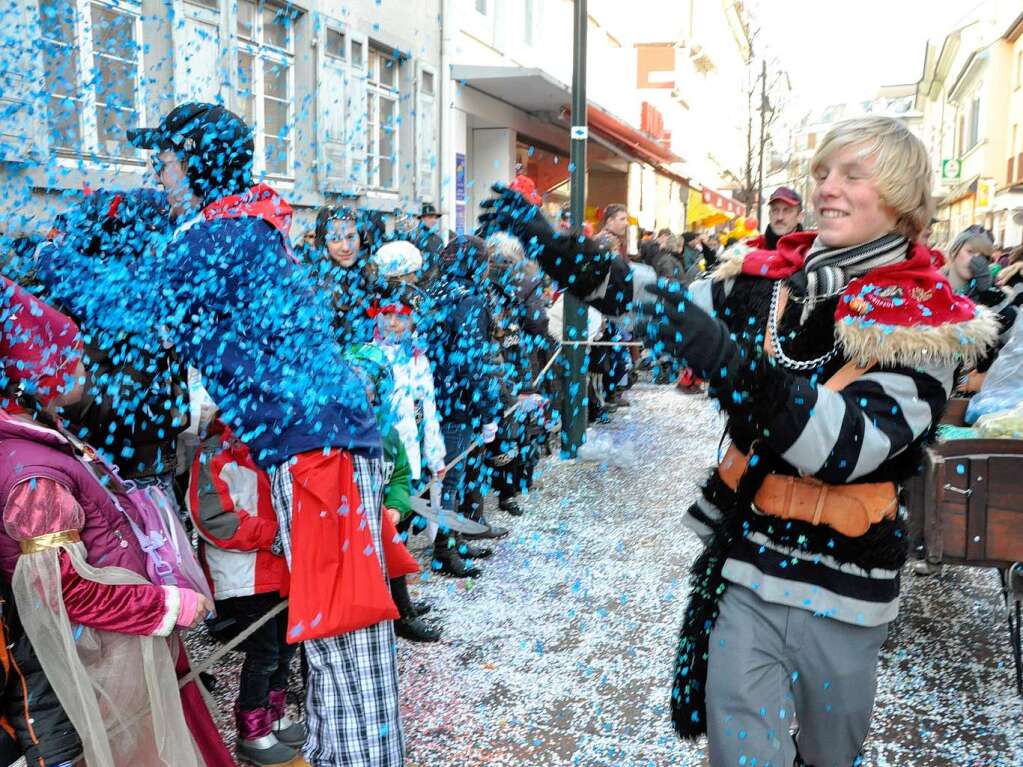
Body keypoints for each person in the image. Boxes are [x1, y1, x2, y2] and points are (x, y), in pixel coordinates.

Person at [479, 115, 998, 766]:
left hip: (844, 595)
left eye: (850, 174)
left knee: (828, 758)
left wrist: (718, 353)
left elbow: (842, 446)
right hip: (749, 570)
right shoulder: (767, 279)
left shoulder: (926, 320)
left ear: (898, 197)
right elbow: (660, 303)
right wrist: (559, 250)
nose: (825, 189)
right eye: (820, 174)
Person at [126, 102, 404, 767]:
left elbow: (139, 318)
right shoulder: (248, 223)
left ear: (195, 162)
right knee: (333, 625)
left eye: (163, 159)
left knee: (341, 625)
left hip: (315, 448)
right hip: (317, 440)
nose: (156, 174)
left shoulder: (211, 238)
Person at [0, 277, 234, 767]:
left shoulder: (35, 437)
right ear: (34, 375)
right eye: (72, 360)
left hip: (118, 641)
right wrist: (165, 605)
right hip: (107, 654)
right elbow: (62, 591)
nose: (85, 370)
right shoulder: (31, 474)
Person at [187, 419, 303, 766]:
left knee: (286, 645)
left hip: (280, 568)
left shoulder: (276, 445)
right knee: (264, 652)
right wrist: (272, 536)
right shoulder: (214, 454)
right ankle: (252, 730)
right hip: (243, 574)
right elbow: (213, 518)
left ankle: (274, 713)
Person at [425, 235, 505, 574]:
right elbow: (473, 361)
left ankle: (454, 541)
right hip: (459, 400)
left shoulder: (437, 291)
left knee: (448, 477)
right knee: (452, 479)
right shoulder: (469, 299)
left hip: (438, 395)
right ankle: (445, 550)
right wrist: (489, 410)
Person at [312, 205, 378, 345]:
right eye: (335, 239)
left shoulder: (372, 276)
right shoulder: (314, 286)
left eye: (351, 237)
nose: (346, 247)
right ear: (324, 243)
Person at [754, 186, 804, 250]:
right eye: (775, 210)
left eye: (787, 210)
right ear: (769, 214)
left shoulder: (810, 253)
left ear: (800, 216)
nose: (780, 217)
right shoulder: (752, 248)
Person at [413, 203, 445, 284]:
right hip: (419, 282)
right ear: (422, 218)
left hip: (436, 281)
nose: (434, 220)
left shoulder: (438, 239)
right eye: (430, 217)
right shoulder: (414, 237)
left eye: (435, 218)